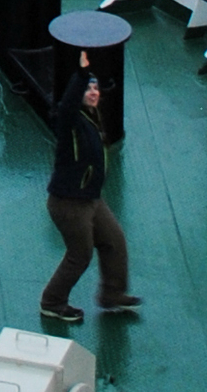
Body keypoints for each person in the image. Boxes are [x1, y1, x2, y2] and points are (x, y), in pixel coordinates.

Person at [43, 67, 139, 322]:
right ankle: (52, 302)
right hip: (69, 203)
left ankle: (113, 293)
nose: (94, 93)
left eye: (96, 88)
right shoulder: (70, 121)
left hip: (91, 199)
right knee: (80, 255)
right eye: (89, 89)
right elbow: (66, 107)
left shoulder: (92, 121)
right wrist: (82, 74)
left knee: (114, 240)